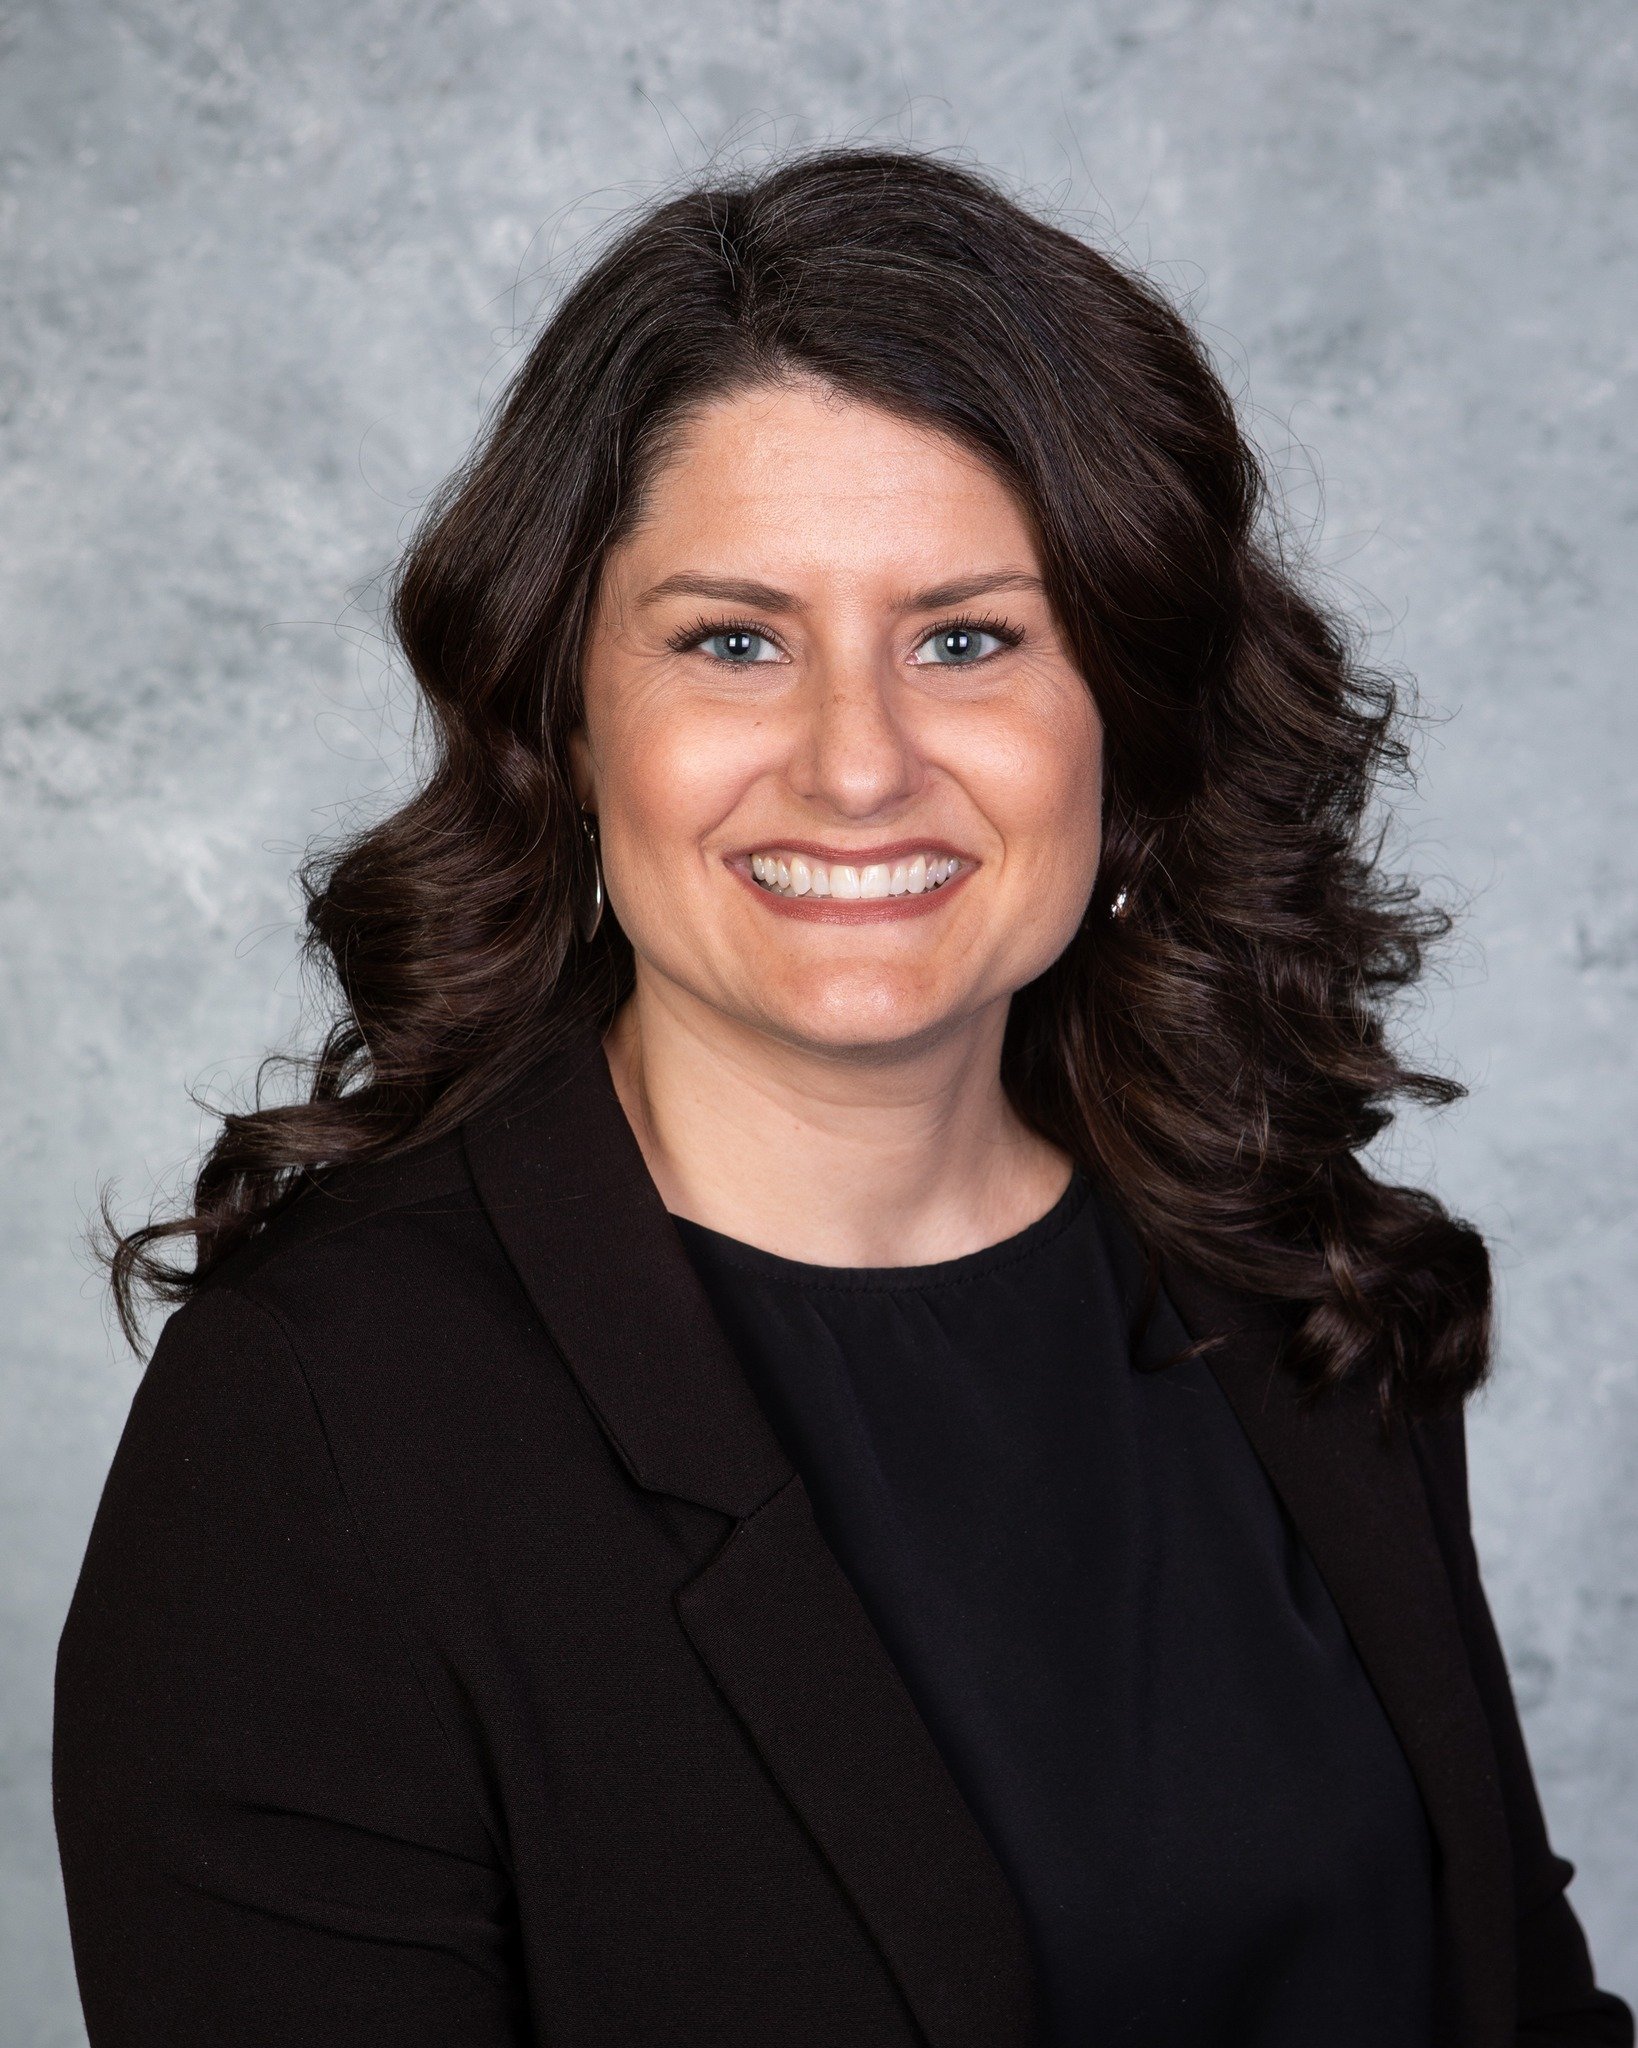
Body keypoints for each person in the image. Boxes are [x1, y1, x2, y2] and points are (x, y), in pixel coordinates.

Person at [55, 149, 1630, 2047]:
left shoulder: (1291, 1266)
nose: (857, 764)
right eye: (735, 641)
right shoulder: (325, 1420)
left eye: (965, 639)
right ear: (563, 718)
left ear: (1121, 716)